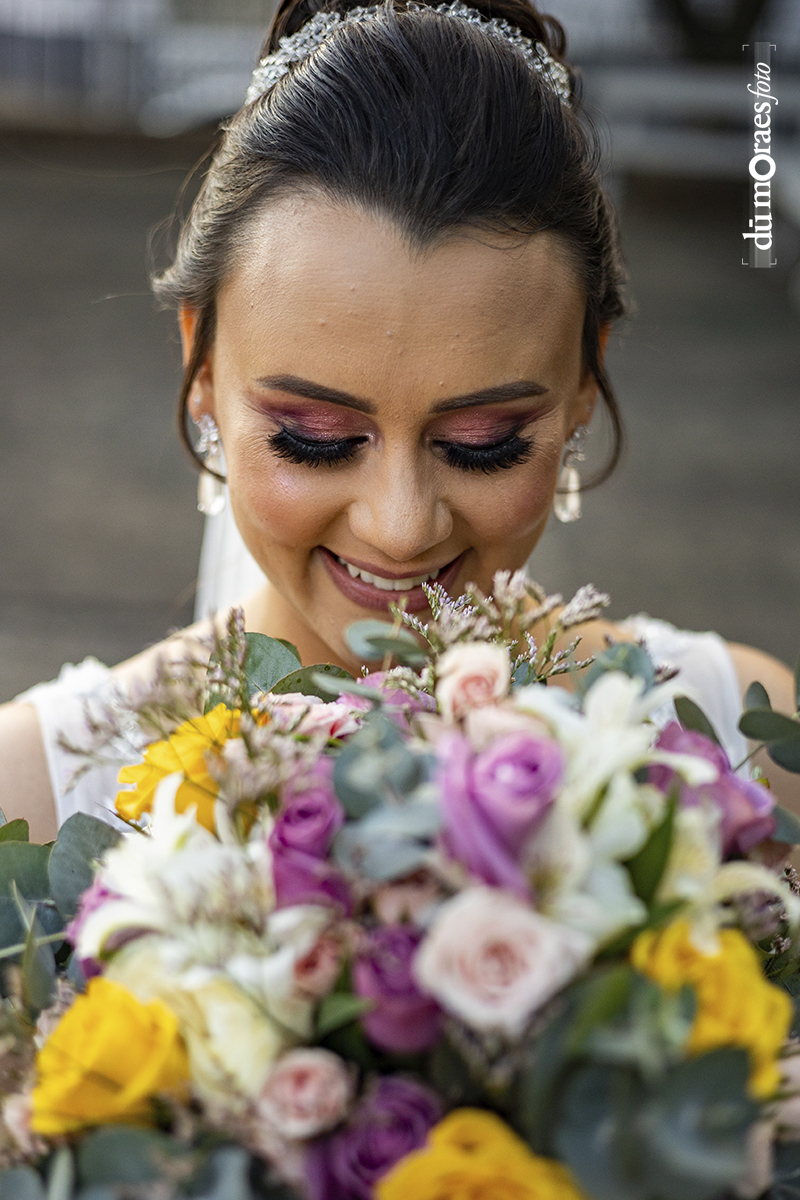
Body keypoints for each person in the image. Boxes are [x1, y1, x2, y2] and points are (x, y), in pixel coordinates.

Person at [0, 0, 796, 843]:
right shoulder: (36, 801)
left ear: (584, 384)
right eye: (315, 436)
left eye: (481, 445)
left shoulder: (745, 756)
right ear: (202, 365)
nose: (401, 527)